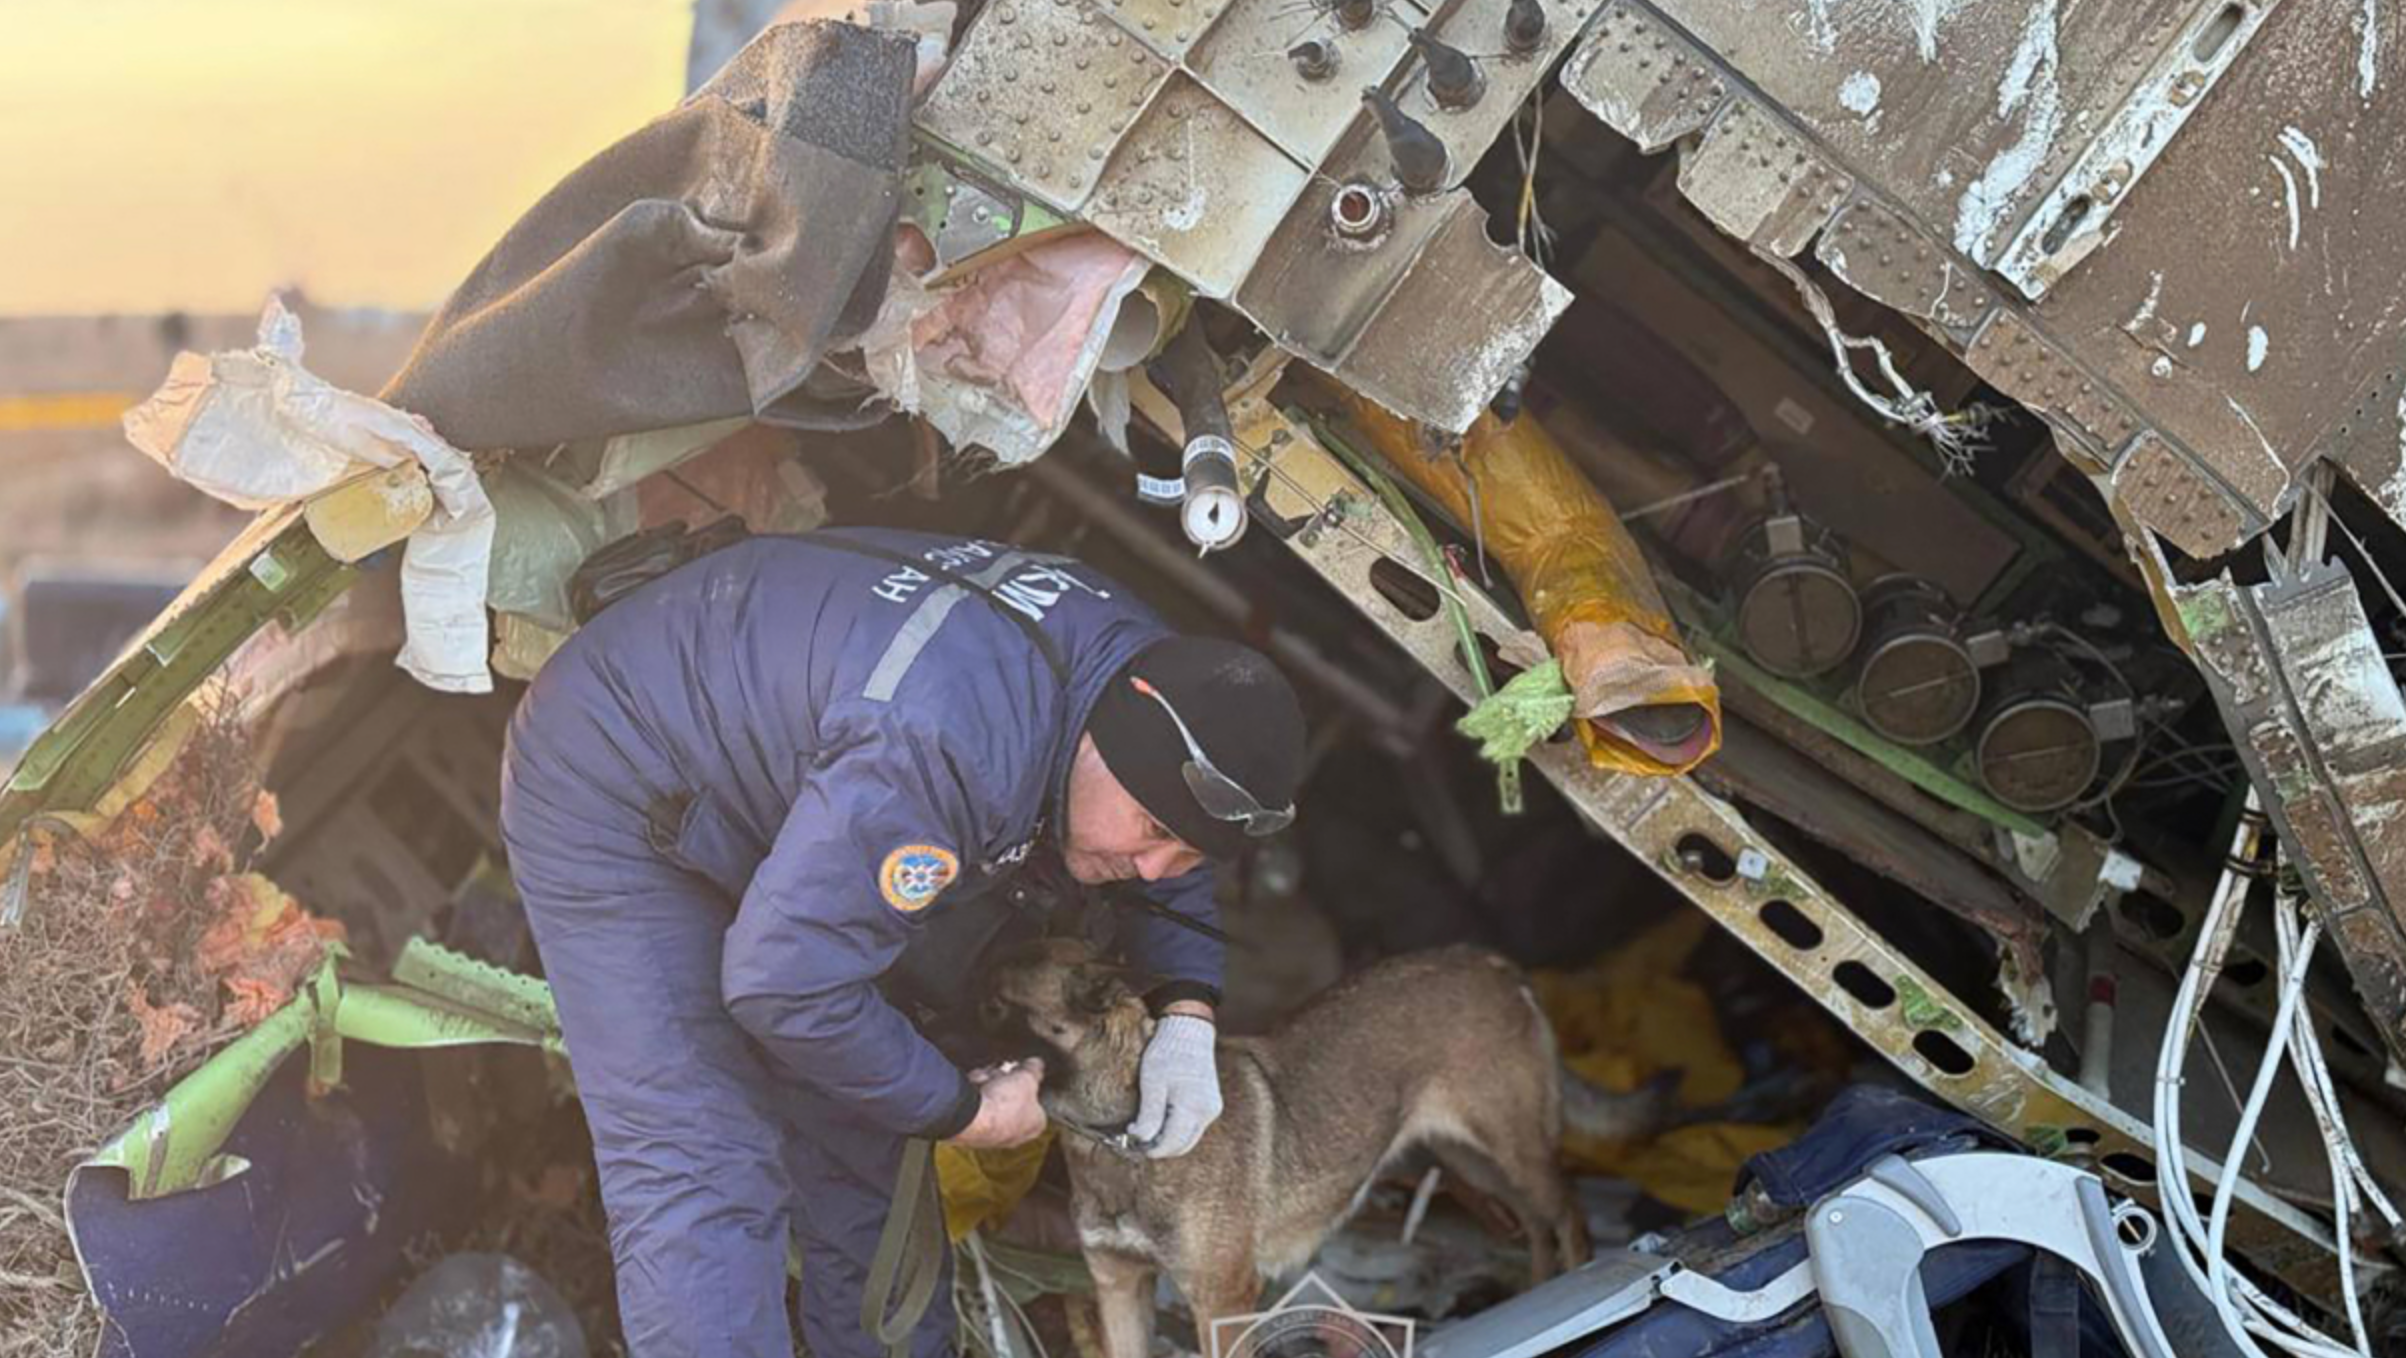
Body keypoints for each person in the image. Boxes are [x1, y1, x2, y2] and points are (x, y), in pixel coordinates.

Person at [498, 526, 1308, 1358]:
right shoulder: (949, 750)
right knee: (703, 1163)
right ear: (1105, 747)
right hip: (616, 770)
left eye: (1186, 854)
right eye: (1150, 832)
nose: (1151, 868)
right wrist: (964, 1111)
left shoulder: (1144, 676)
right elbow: (785, 984)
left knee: (861, 1132)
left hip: (783, 774)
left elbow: (1170, 832)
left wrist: (1187, 1006)